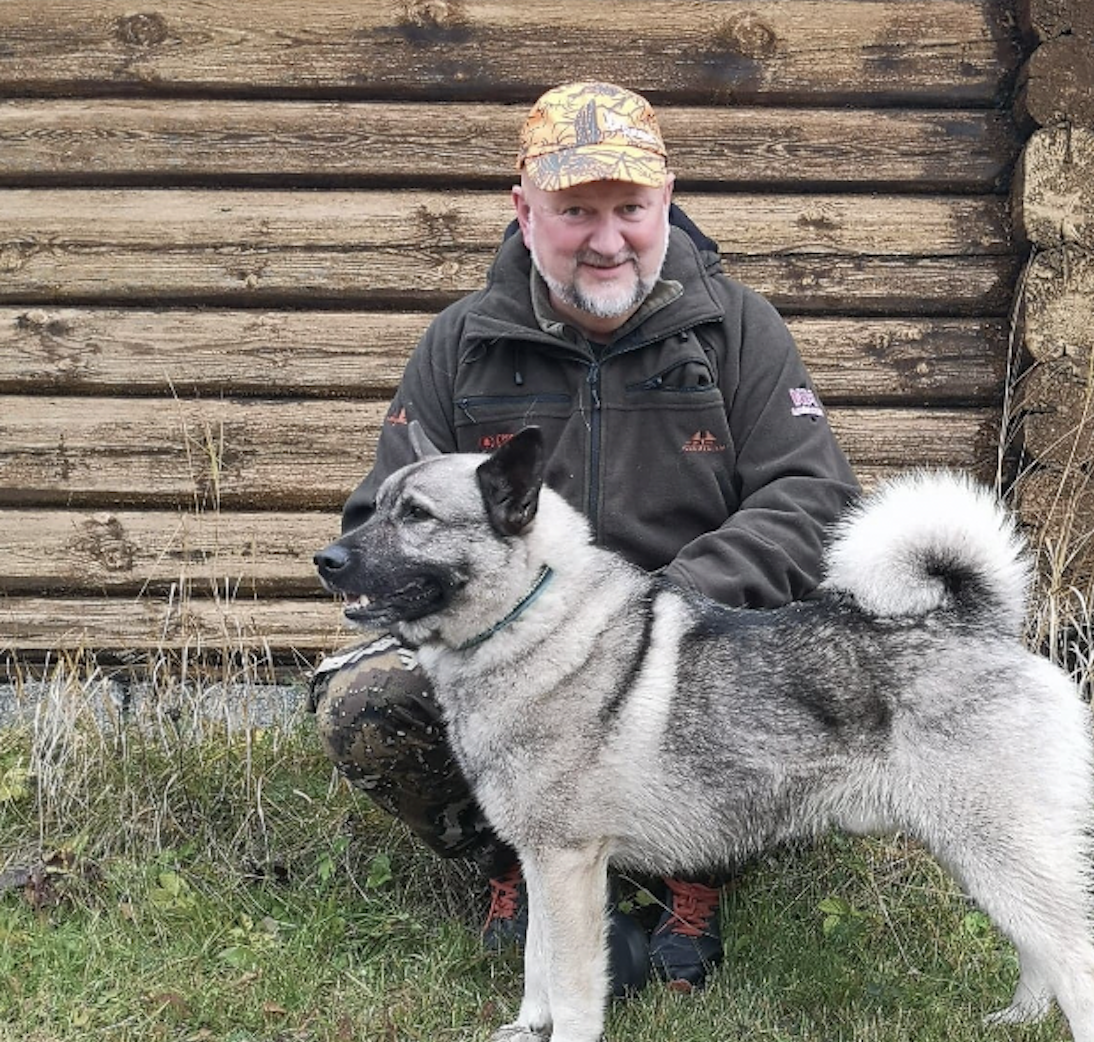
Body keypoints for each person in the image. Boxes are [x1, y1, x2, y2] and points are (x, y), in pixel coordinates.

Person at [311, 81, 860, 990]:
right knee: (369, 702)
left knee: (751, 682)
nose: (608, 240)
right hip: (518, 647)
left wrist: (673, 601)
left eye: (631, 211)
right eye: (577, 212)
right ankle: (520, 869)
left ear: (666, 201)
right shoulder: (461, 345)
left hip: (694, 635)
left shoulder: (738, 330)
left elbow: (814, 495)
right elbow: (379, 525)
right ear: (524, 212)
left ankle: (695, 876)